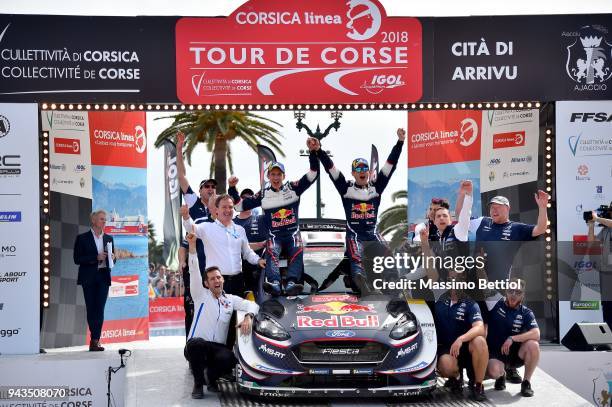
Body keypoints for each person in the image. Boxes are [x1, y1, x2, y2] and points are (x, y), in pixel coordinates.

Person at [468, 191, 548, 383]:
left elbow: (540, 229)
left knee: (503, 327)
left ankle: (510, 367)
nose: (493, 210)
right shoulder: (482, 222)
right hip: (475, 286)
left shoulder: (515, 228)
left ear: (507, 209)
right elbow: (461, 219)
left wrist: (543, 207)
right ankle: (476, 374)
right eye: (491, 207)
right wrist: (464, 196)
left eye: (498, 207)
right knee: (480, 330)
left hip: (498, 289)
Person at [228, 137, 320, 296]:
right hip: (274, 235)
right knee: (271, 249)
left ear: (283, 176)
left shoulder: (293, 188)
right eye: (273, 174)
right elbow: (239, 206)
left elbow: (313, 175)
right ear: (268, 176)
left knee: (297, 248)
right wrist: (232, 188)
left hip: (292, 233)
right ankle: (275, 282)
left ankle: (292, 282)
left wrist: (313, 152)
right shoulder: (263, 194)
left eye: (279, 174)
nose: (276, 178)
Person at [317, 128, 405, 291]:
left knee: (388, 257)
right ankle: (361, 284)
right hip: (355, 235)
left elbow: (390, 166)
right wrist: (319, 151)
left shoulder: (377, 186)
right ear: (353, 173)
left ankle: (392, 291)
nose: (362, 172)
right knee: (356, 261)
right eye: (358, 169)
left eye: (364, 169)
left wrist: (399, 142)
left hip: (372, 233)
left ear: (369, 172)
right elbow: (331, 170)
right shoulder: (346, 188)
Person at [183, 230, 258, 399]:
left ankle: (212, 378)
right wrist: (193, 246)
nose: (216, 280)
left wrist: (248, 317)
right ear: (206, 283)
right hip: (196, 346)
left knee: (230, 358)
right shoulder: (200, 295)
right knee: (196, 346)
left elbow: (253, 305)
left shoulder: (230, 300)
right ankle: (198, 384)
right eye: (212, 279)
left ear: (223, 280)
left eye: (218, 277)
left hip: (217, 348)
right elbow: (194, 270)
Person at [181, 194, 266, 296]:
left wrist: (258, 260)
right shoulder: (207, 227)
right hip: (216, 282)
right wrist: (186, 216)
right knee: (218, 312)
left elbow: (247, 252)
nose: (228, 210)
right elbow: (191, 228)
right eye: (224, 207)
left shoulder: (240, 230)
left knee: (236, 311)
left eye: (230, 207)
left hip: (237, 281)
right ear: (217, 210)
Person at [434, 269, 488, 401]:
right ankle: (457, 378)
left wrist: (461, 338)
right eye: (451, 278)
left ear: (464, 281)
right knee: (446, 366)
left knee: (480, 341)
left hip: (466, 348)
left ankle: (478, 385)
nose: (454, 282)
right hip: (447, 349)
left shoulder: (471, 303)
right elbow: (431, 271)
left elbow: (480, 328)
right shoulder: (439, 296)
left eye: (458, 278)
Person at [486, 278, 540, 397]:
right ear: (506, 291)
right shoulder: (495, 303)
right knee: (494, 371)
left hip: (515, 355)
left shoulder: (526, 312)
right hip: (496, 353)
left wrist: (512, 338)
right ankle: (502, 375)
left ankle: (526, 382)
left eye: (518, 292)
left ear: (523, 295)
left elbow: (536, 333)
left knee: (533, 345)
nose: (514, 295)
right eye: (511, 291)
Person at [73, 210, 115, 352]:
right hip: (88, 277)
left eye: (105, 219)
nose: (104, 221)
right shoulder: (82, 238)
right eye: (102, 219)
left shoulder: (109, 238)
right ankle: (94, 339)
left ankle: (95, 340)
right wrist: (95, 258)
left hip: (103, 276)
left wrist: (113, 258)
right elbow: (77, 259)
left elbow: (112, 260)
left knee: (100, 309)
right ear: (94, 220)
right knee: (91, 309)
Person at [233, 188, 268, 294]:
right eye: (243, 198)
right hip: (237, 272)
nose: (247, 201)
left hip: (259, 271)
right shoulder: (231, 223)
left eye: (250, 198)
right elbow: (234, 246)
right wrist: (260, 244)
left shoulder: (262, 219)